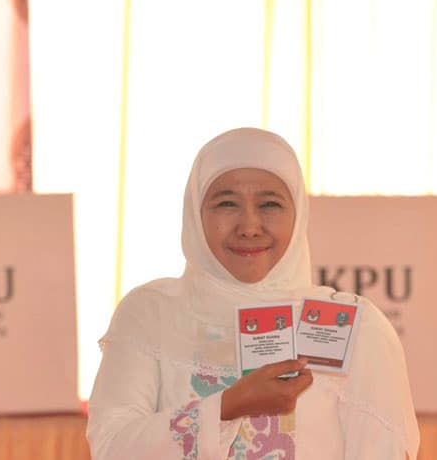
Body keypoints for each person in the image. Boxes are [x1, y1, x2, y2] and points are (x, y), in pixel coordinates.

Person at [87, 128, 419, 459]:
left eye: (270, 204)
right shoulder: (151, 313)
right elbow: (111, 447)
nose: (249, 226)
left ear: (298, 213)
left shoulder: (352, 326)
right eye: (226, 203)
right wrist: (227, 407)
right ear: (196, 213)